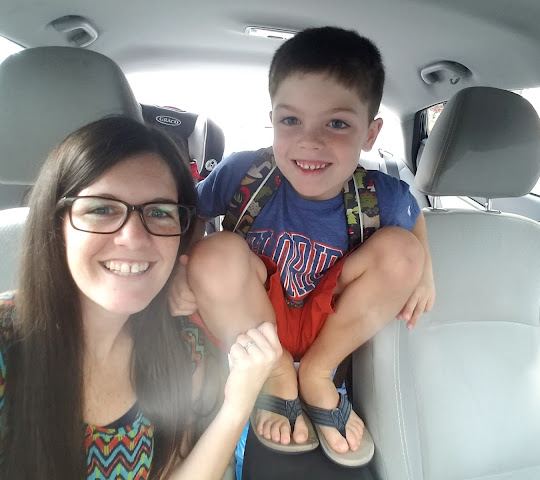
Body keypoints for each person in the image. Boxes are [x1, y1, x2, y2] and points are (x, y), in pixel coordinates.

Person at [169, 26, 435, 466]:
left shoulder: (380, 195)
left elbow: (414, 216)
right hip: (250, 318)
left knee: (405, 252)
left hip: (329, 321)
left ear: (370, 133)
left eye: (337, 123)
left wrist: (425, 272)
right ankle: (276, 374)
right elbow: (192, 211)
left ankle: (317, 373)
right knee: (214, 253)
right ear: (272, 119)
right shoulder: (242, 173)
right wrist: (182, 267)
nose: (310, 141)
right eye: (291, 120)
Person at [0, 116, 281, 479]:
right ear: (57, 226)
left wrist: (239, 402)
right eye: (102, 209)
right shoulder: (7, 346)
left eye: (160, 212)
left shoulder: (184, 350)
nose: (133, 238)